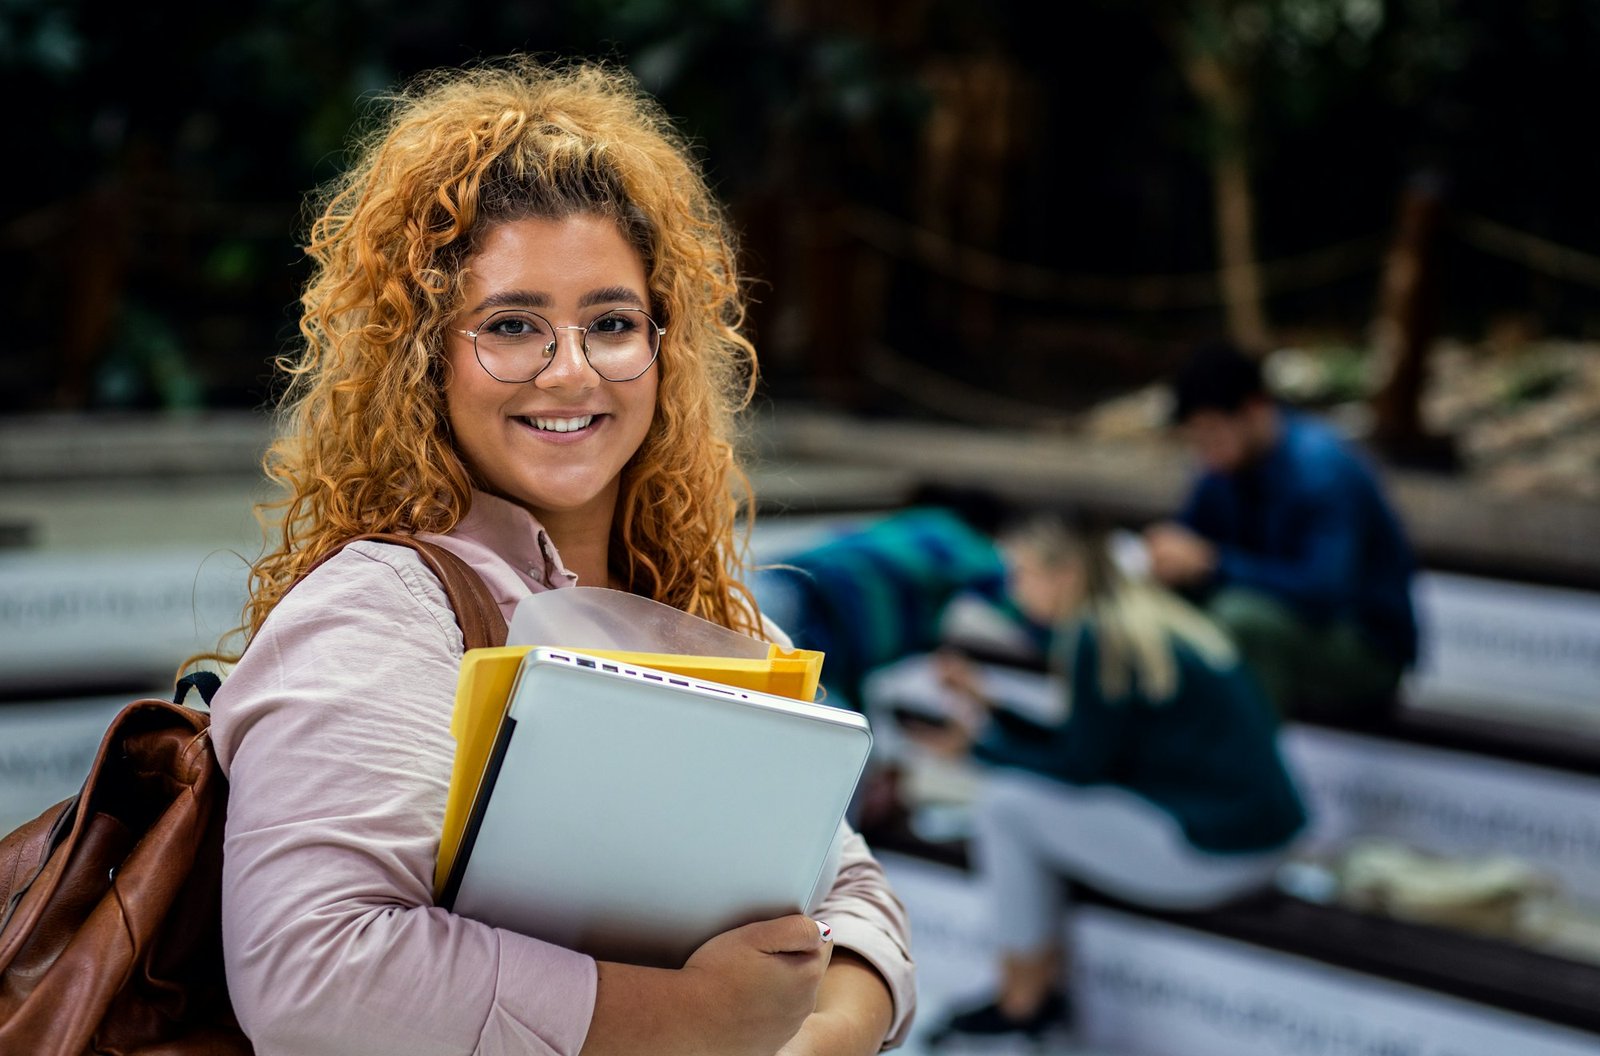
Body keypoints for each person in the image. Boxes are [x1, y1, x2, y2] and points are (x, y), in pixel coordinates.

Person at [200, 56, 914, 1056]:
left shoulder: (715, 612)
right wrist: (688, 1022)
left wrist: (811, 1039)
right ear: (423, 354)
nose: (570, 369)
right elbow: (311, 972)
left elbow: (850, 890)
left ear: (664, 346)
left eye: (611, 323)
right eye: (512, 326)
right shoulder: (380, 612)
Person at [920, 511, 1307, 1046]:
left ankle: (1023, 998)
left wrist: (978, 749)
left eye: (1023, 573)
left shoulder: (1096, 636)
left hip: (1216, 847)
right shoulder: (1141, 615)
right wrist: (992, 709)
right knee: (1015, 800)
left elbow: (1081, 769)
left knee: (1004, 806)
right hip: (1253, 835)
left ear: (1066, 574)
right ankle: (1029, 991)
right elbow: (1095, 750)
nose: (1015, 590)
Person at [1143, 340, 1420, 719]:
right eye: (1195, 437)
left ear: (1256, 410)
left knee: (1240, 619)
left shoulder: (1322, 469)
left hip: (1363, 648)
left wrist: (1212, 565)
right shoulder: (1220, 467)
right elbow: (1192, 539)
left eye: (1211, 433)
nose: (1204, 449)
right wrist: (1170, 556)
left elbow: (1323, 591)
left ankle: (1247, 767)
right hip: (1287, 627)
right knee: (1144, 603)